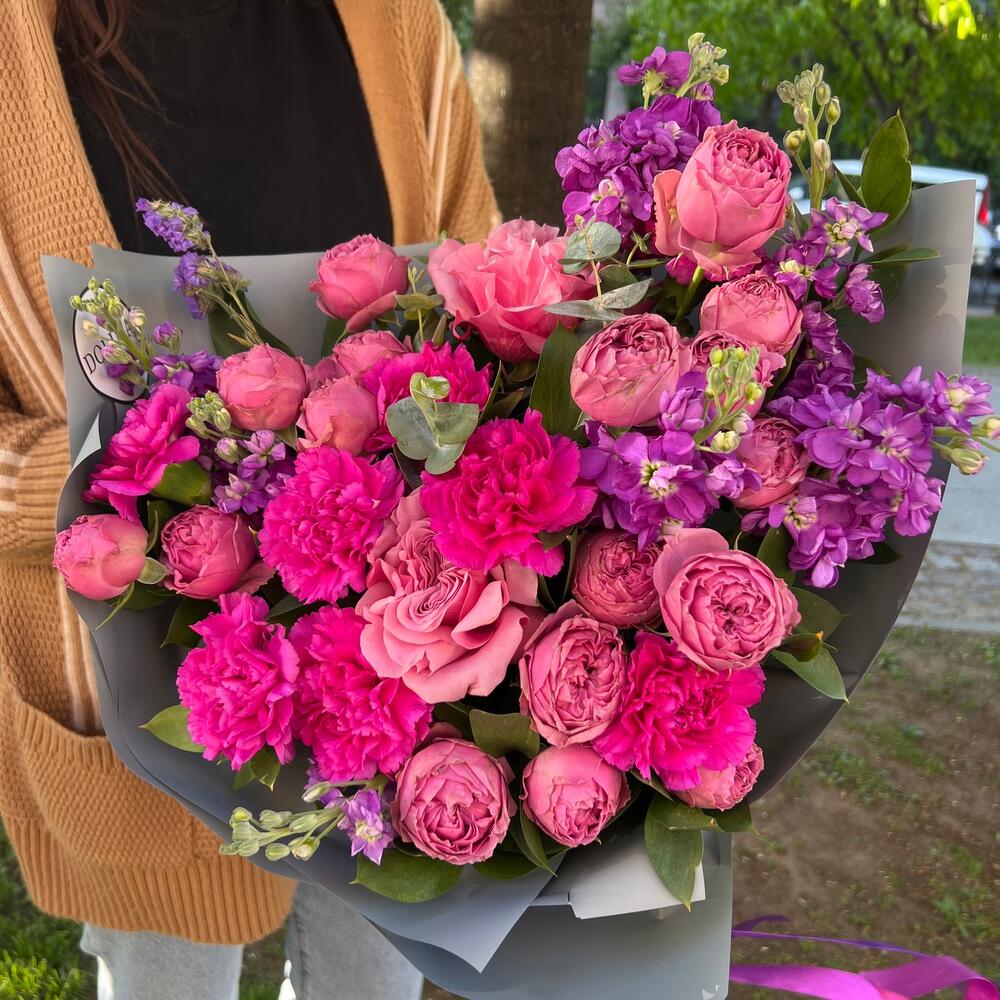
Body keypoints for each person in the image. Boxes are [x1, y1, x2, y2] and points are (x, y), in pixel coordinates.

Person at [0, 1, 497, 997]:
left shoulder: (395, 22)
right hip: (140, 696)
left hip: (401, 691)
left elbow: (481, 298)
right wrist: (124, 476)